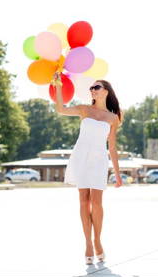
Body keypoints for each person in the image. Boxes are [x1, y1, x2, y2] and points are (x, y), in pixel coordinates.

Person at [53, 72, 123, 265]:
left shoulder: (113, 117)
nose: (92, 90)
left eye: (96, 87)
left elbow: (113, 147)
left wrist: (118, 175)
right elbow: (60, 109)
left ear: (106, 91)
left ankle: (98, 240)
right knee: (83, 201)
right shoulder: (84, 109)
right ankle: (88, 245)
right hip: (80, 157)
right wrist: (58, 85)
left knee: (97, 203)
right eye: (91, 88)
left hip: (99, 160)